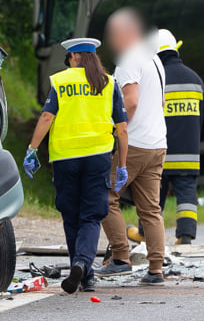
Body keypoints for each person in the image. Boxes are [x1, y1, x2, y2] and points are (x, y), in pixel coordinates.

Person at [24, 38, 129, 294]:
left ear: (72, 58)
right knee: (91, 216)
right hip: (98, 157)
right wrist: (122, 164)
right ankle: (84, 268)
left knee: (71, 216)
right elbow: (122, 129)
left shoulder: (61, 81)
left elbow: (48, 116)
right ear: (93, 57)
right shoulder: (108, 83)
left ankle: (82, 272)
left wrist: (32, 149)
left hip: (65, 158)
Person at [96, 9, 167, 285]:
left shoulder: (128, 59)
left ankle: (120, 259)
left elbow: (132, 102)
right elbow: (160, 103)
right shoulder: (155, 60)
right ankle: (156, 269)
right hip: (157, 144)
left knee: (105, 197)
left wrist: (117, 131)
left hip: (133, 144)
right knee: (150, 209)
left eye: (113, 34)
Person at [128, 30, 204, 245]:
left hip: (159, 151)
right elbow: (203, 112)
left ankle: (145, 234)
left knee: (152, 197)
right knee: (187, 196)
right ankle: (185, 236)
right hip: (188, 153)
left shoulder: (155, 80)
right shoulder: (195, 79)